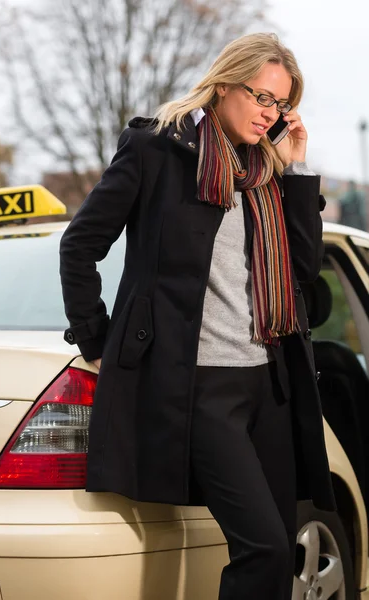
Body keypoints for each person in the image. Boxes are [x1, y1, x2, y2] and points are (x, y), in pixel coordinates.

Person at [59, 32, 336, 600]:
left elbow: (304, 270)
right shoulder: (156, 150)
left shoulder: (266, 171)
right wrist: (97, 338)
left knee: (281, 539)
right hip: (200, 386)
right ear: (225, 85)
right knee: (266, 546)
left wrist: (297, 170)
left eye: (281, 104)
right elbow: (80, 244)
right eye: (262, 98)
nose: (271, 114)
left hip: (270, 382)